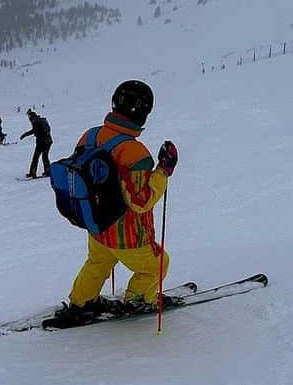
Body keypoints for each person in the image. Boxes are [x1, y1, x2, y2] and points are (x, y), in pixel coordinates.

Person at [58, 80, 178, 321]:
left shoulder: (90, 136)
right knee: (158, 264)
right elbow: (141, 200)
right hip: (128, 236)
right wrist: (163, 170)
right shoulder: (135, 153)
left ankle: (82, 302)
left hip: (96, 226)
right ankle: (137, 299)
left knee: (98, 263)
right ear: (143, 113)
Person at [20, 108, 52, 177]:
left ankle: (35, 173)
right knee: (42, 157)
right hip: (46, 141)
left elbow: (37, 131)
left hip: (43, 142)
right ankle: (45, 171)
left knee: (39, 157)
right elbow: (35, 130)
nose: (30, 120)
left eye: (29, 118)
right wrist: (25, 134)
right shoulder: (40, 120)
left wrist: (26, 134)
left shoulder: (36, 122)